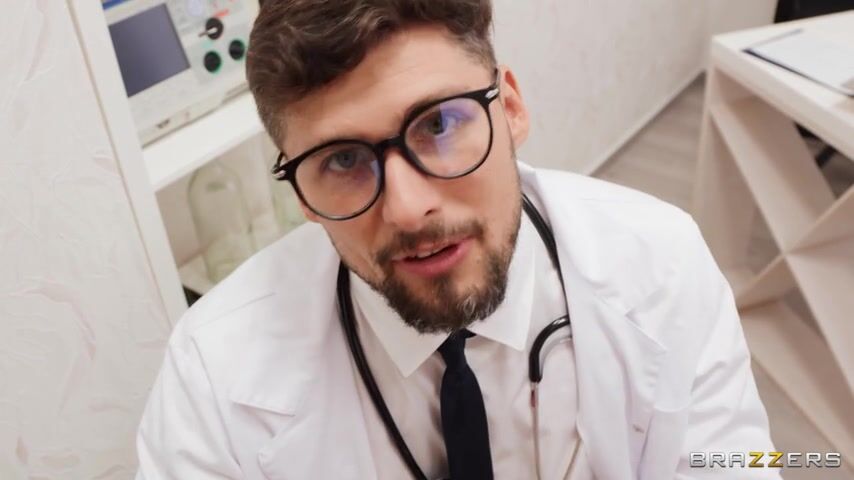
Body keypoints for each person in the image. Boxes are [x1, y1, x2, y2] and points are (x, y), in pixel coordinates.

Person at [135, 1, 779, 478]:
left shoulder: (662, 262)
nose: (408, 208)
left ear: (512, 109)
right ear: (301, 196)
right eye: (342, 160)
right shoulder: (213, 375)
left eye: (439, 124)